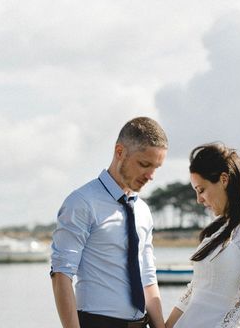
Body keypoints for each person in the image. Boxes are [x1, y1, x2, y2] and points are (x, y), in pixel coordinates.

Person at [51, 117, 168, 328]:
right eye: (144, 164)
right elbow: (61, 274)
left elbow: (148, 275)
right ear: (120, 151)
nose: (150, 175)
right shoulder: (82, 202)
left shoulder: (143, 210)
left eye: (156, 167)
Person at [165, 142, 240, 328]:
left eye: (201, 190)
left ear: (224, 179)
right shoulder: (216, 231)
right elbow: (193, 292)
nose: (198, 199)